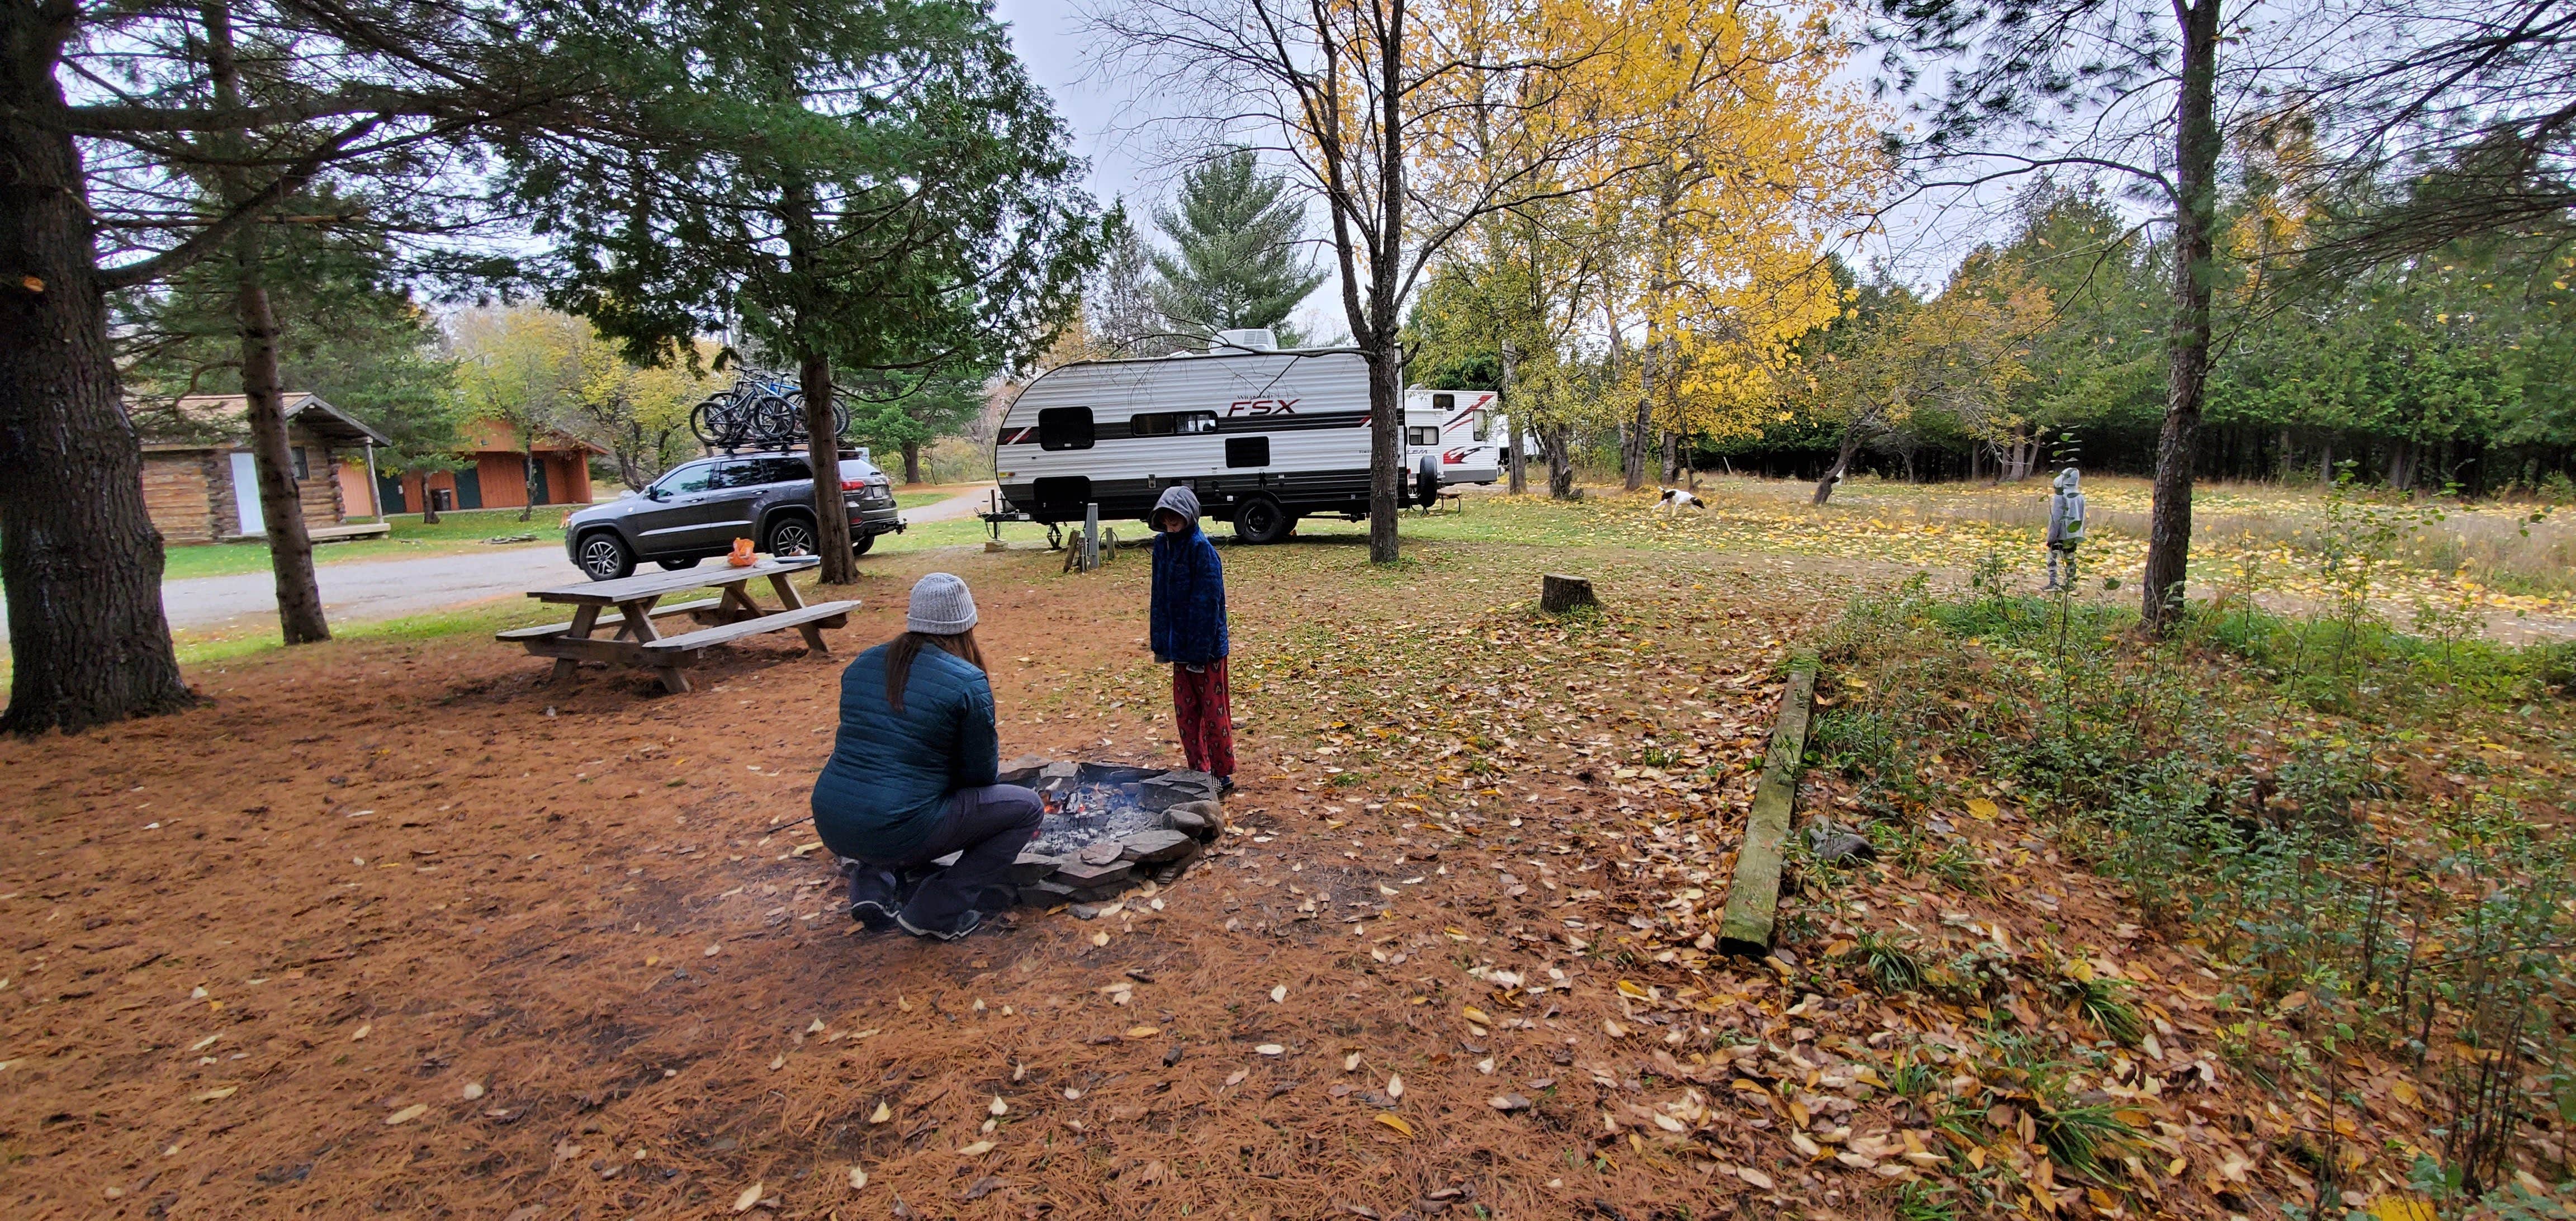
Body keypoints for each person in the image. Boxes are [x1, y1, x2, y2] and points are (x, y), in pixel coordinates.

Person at [810, 573, 1041, 941]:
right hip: (899, 827)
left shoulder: (863, 664)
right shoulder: (967, 680)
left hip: (832, 819)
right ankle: (935, 911)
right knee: (1026, 807)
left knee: (883, 795)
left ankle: (871, 887)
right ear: (967, 625)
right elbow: (980, 776)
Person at [1148, 486, 1235, 794]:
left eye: (1177, 522)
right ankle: (1198, 771)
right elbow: (1158, 598)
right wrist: (1161, 644)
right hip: (1180, 648)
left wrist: (1200, 655)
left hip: (1207, 650)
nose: (1171, 528)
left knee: (1213, 713)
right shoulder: (1162, 548)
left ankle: (1222, 775)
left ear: (1190, 518)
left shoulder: (1202, 550)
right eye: (1167, 523)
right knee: (1186, 716)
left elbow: (1208, 606)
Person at [2044, 467, 2087, 591]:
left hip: (2060, 535)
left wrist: (2051, 537)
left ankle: (2053, 583)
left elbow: (2056, 519)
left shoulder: (2060, 496)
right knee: (2070, 559)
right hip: (2074, 534)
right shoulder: (2080, 497)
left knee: (2052, 558)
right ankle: (2070, 583)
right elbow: (2082, 517)